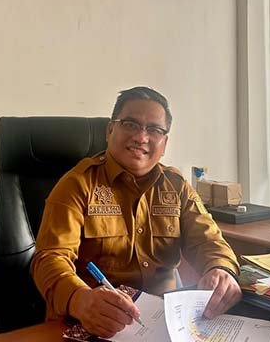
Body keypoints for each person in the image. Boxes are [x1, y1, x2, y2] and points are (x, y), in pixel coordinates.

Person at [31, 86, 241, 338]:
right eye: (130, 124)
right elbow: (50, 258)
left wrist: (221, 269)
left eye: (154, 130)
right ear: (110, 130)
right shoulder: (77, 184)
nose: (141, 137)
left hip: (166, 324)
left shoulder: (176, 186)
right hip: (95, 323)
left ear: (164, 143)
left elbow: (208, 240)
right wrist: (80, 299)